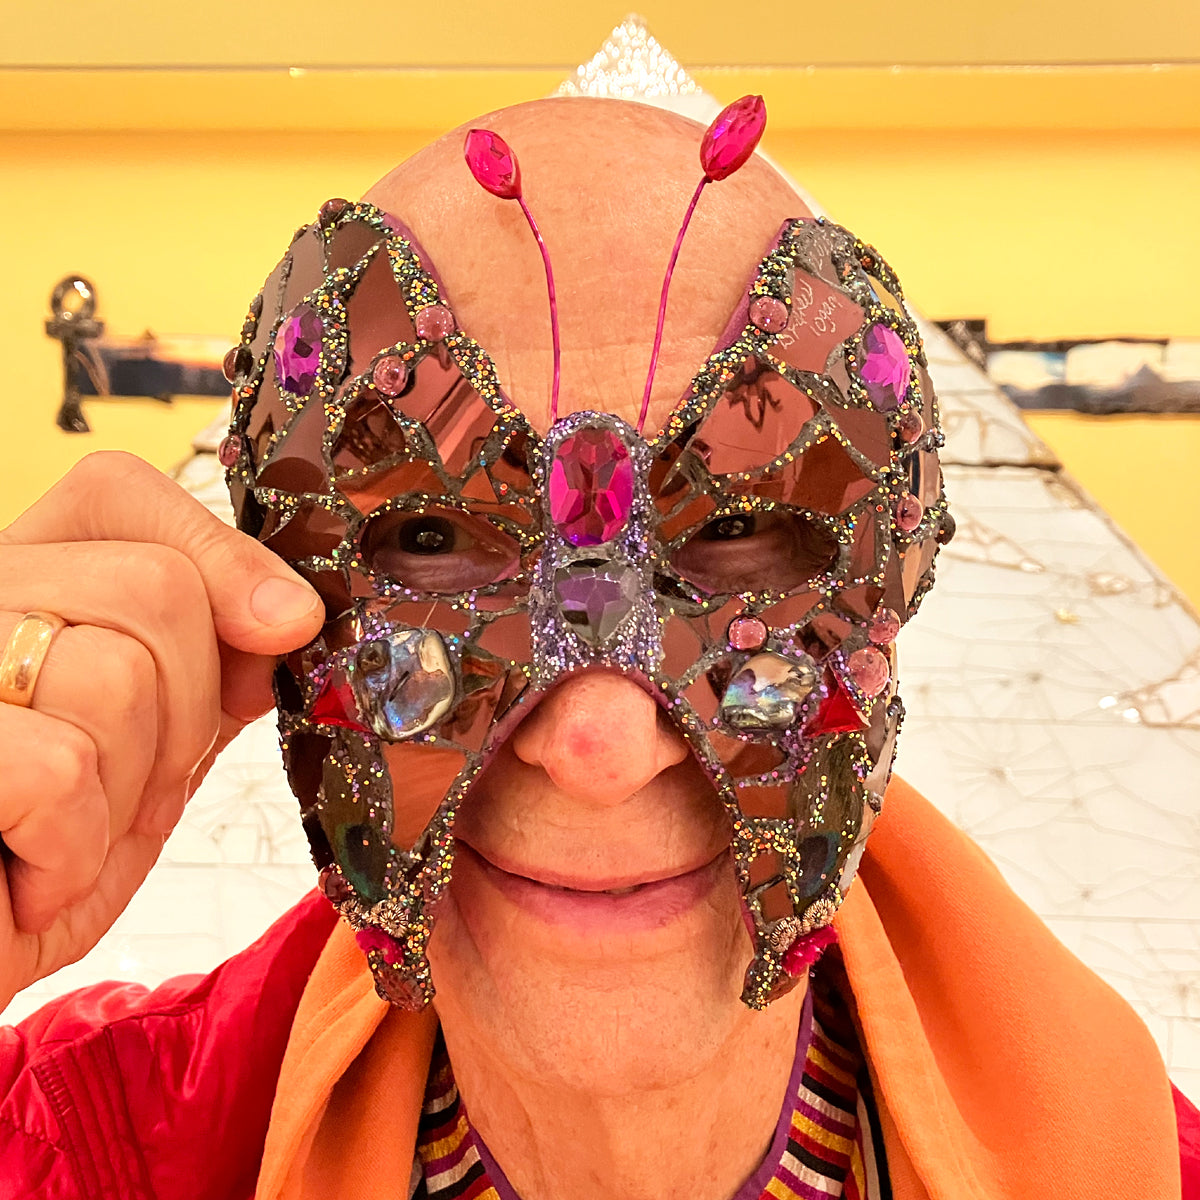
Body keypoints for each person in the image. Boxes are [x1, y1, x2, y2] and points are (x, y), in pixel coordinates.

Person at [0, 98, 1196, 1199]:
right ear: (273, 605)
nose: (600, 746)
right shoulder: (73, 1147)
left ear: (894, 570)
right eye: (432, 537)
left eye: (735, 531)